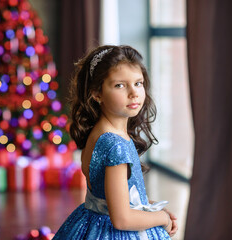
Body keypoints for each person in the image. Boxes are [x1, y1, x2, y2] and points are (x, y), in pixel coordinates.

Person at [53, 45, 178, 239]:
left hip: (90, 222)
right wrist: (162, 218)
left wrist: (150, 209)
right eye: (120, 85)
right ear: (97, 94)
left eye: (138, 83)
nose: (133, 93)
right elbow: (122, 219)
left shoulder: (98, 132)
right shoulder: (115, 146)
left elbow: (113, 197)